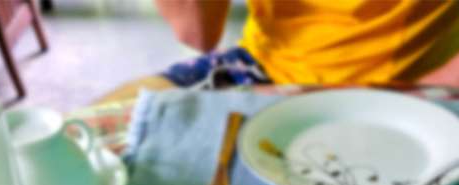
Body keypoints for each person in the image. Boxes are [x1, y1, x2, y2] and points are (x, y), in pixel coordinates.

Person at [155, 0, 459, 89]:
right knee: (116, 134)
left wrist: (432, 89)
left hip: (409, 84)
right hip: (260, 67)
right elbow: (197, 33)